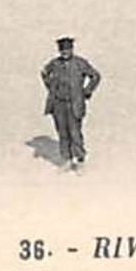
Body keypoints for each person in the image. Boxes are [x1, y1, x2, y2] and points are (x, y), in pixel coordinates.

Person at [42, 37, 101, 172]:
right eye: (62, 50)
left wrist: (87, 91)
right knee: (63, 133)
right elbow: (44, 73)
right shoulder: (55, 64)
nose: (65, 53)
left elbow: (95, 76)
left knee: (75, 133)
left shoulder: (80, 63)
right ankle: (67, 160)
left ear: (72, 49)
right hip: (58, 105)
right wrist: (51, 88)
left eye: (67, 50)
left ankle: (80, 160)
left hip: (74, 105)